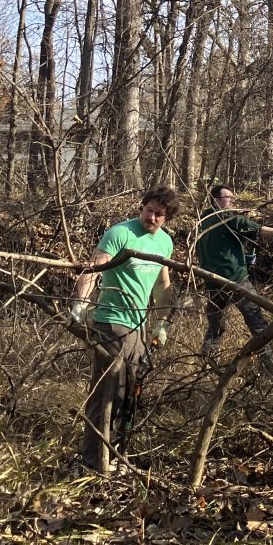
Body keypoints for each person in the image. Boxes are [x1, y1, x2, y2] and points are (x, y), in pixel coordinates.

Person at [70, 186, 178, 477]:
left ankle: (117, 454)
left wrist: (161, 324)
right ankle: (93, 461)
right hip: (111, 321)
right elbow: (93, 268)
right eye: (149, 210)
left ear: (166, 218)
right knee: (107, 392)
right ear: (141, 207)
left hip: (139, 326)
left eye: (159, 214)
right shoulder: (119, 233)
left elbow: (162, 286)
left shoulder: (164, 244)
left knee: (129, 395)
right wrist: (80, 304)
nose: (152, 217)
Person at [197, 184, 273, 362]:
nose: (232, 201)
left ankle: (206, 364)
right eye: (228, 197)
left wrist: (241, 256)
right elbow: (257, 229)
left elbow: (216, 247)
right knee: (258, 324)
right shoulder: (225, 217)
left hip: (212, 282)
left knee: (215, 327)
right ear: (215, 201)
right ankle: (269, 370)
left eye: (233, 197)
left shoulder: (203, 220)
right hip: (235, 280)